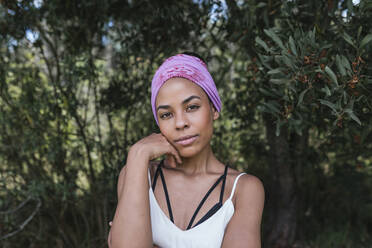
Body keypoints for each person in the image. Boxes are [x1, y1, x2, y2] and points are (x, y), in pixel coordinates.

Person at [108, 53, 265, 248]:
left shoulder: (242, 189)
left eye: (192, 107)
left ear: (214, 108)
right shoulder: (138, 173)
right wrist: (137, 153)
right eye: (166, 114)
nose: (181, 123)